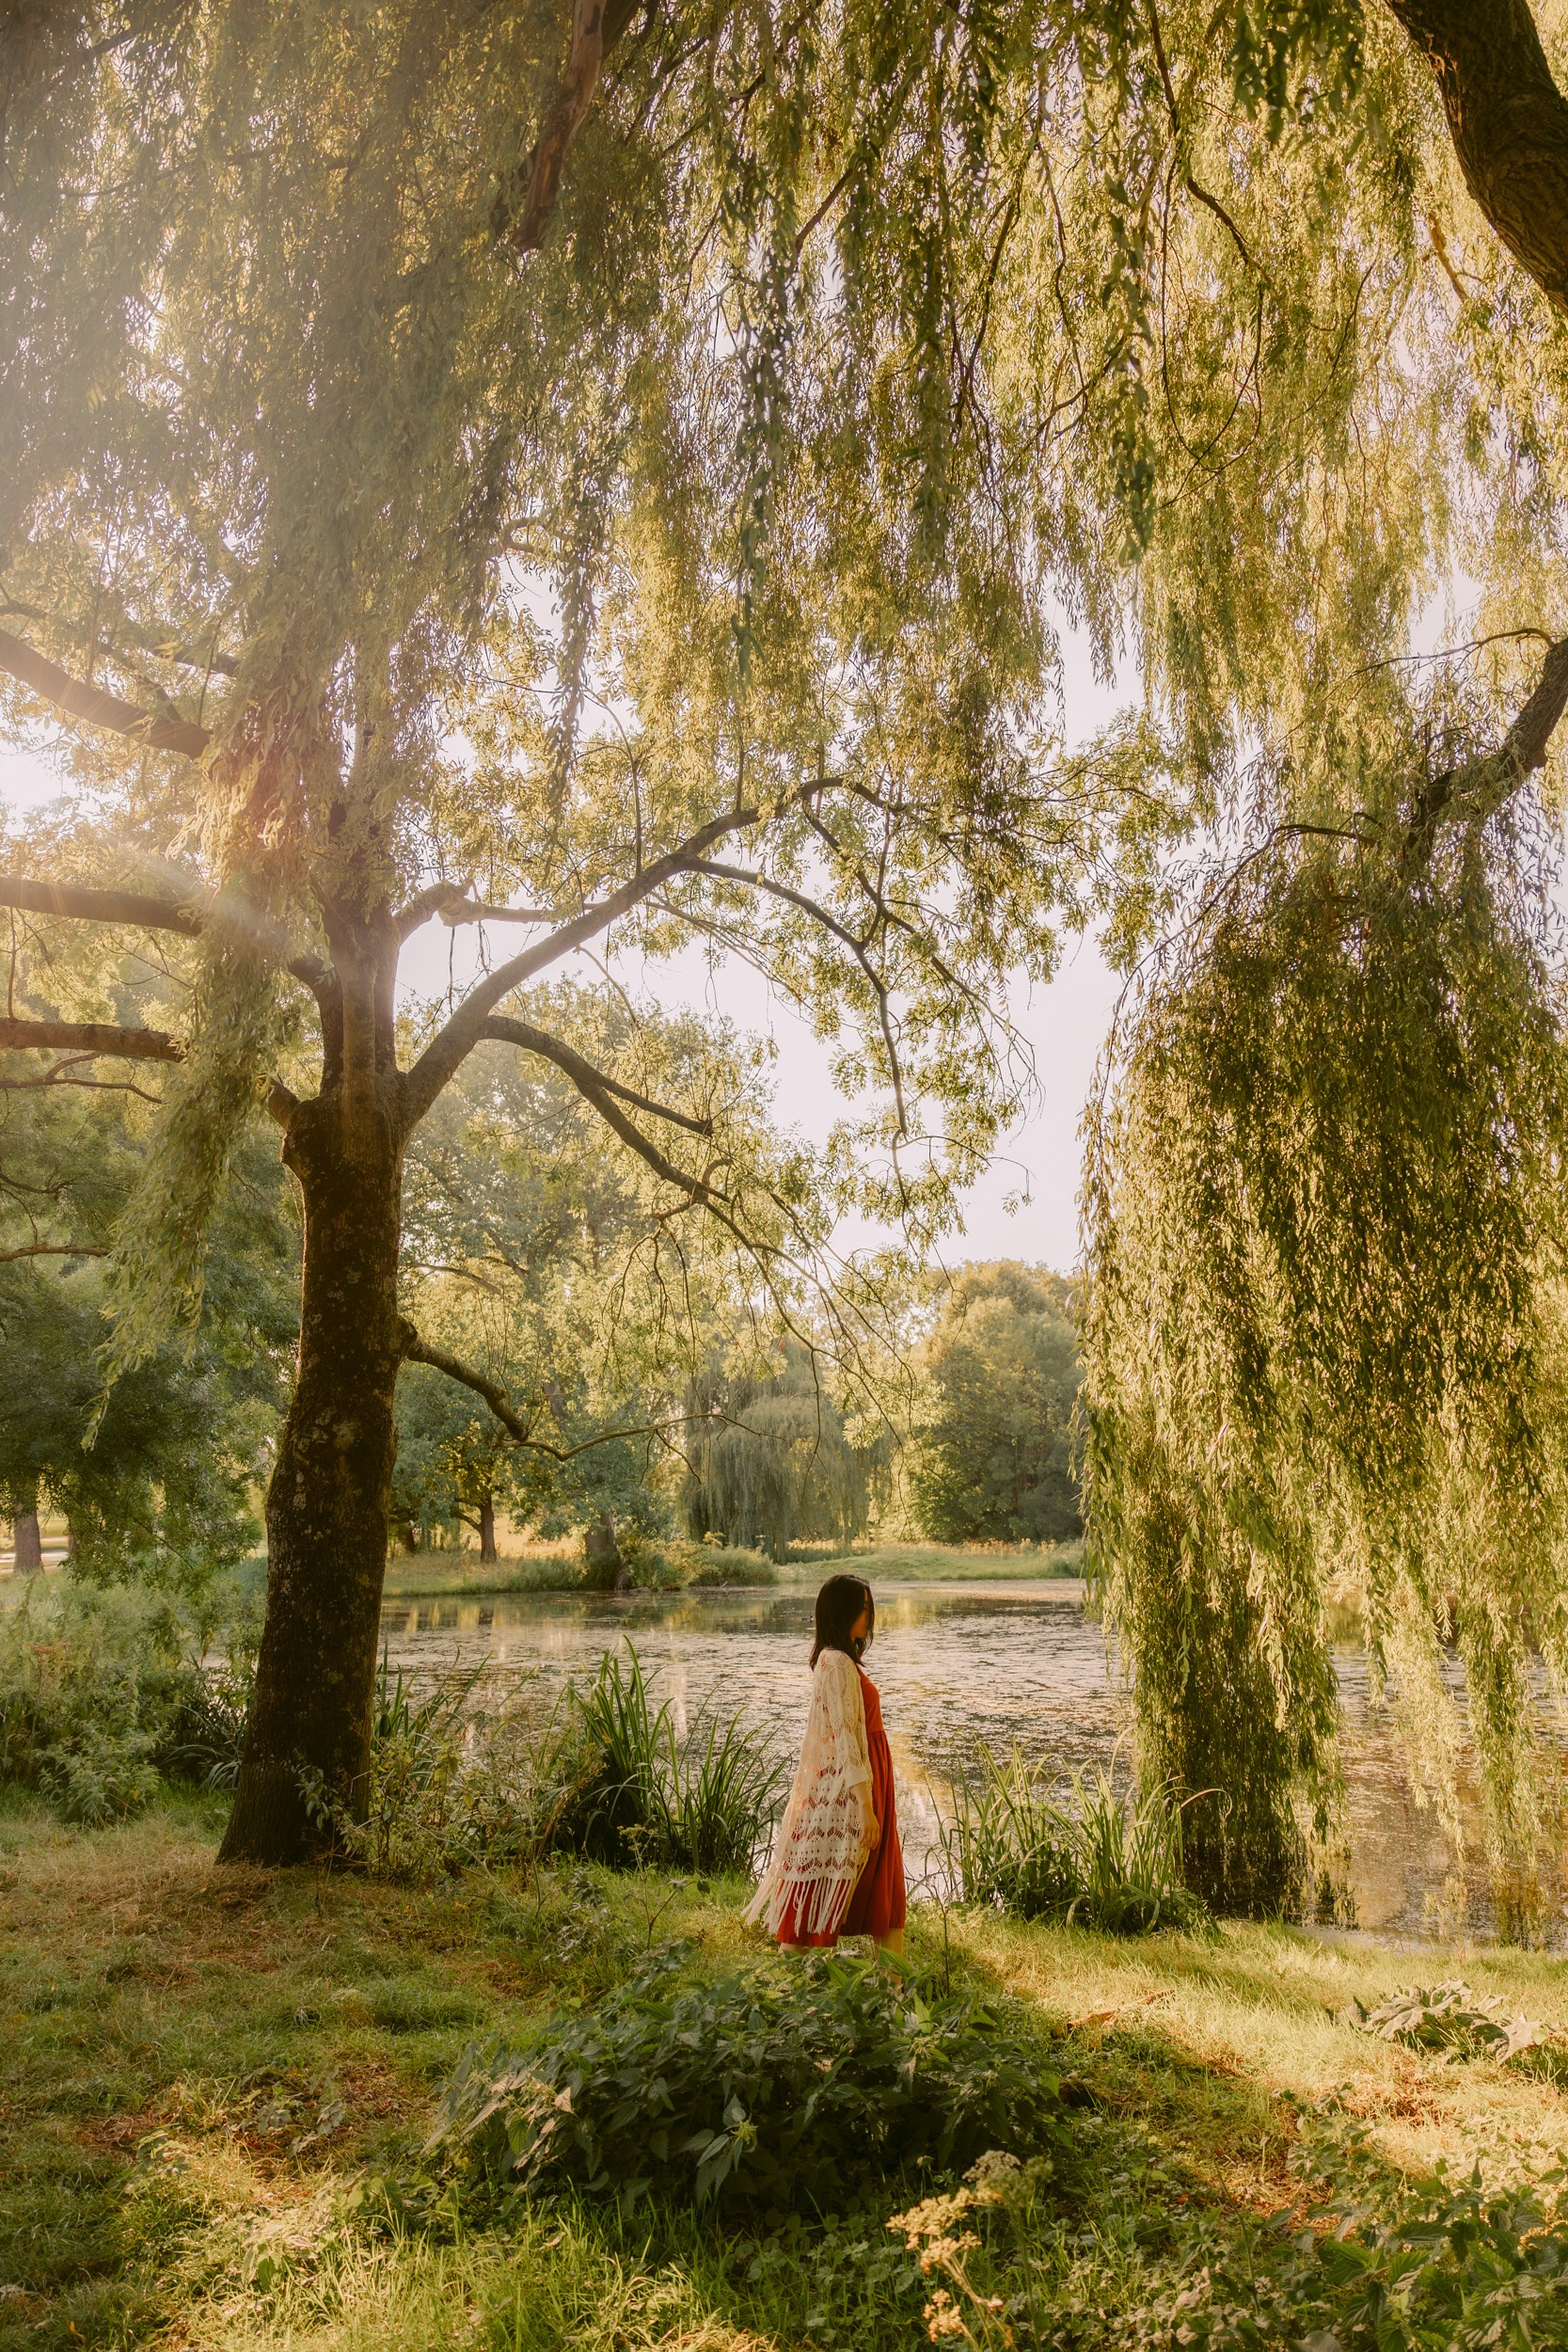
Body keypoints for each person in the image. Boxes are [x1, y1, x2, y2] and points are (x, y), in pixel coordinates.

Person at [745, 1572, 906, 1954]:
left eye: (869, 1608)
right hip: (859, 1786)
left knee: (885, 1887)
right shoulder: (834, 1663)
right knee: (827, 1882)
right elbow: (846, 1737)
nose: (869, 1617)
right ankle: (794, 1981)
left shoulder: (841, 1661)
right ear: (841, 1612)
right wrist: (864, 1805)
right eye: (862, 1609)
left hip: (872, 1777)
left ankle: (896, 1994)